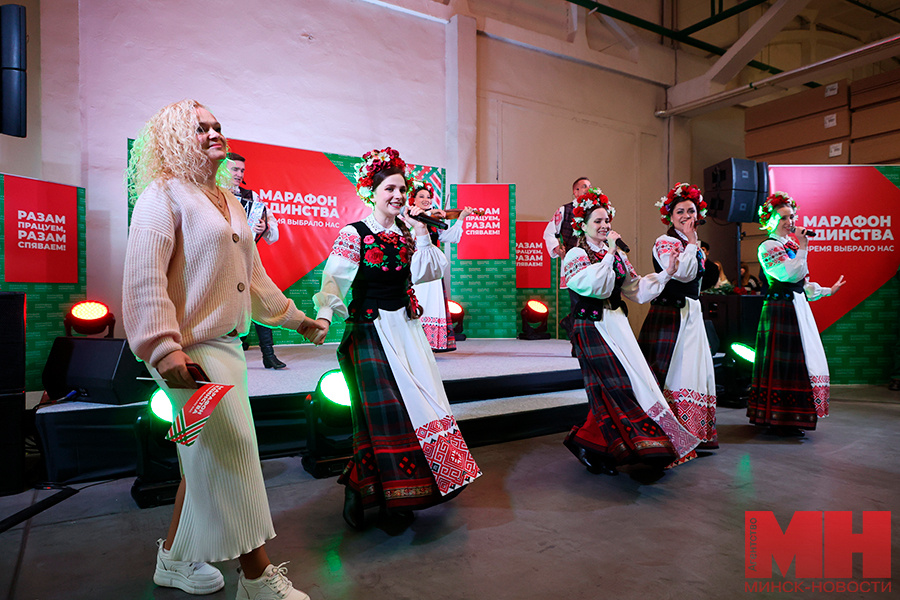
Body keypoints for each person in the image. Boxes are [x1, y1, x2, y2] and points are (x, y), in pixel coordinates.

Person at [123, 99, 325, 600]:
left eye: (217, 126)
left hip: (228, 349)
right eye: (200, 128)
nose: (215, 133)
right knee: (232, 451)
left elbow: (253, 278)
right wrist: (162, 349)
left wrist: (297, 319)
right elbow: (144, 278)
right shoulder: (161, 195)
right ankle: (255, 578)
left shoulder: (229, 201)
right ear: (174, 138)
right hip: (188, 354)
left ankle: (173, 559)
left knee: (206, 455)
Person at [312, 147, 481, 530]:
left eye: (402, 189)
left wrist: (421, 232)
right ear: (371, 192)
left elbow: (428, 272)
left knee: (414, 409)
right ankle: (380, 495)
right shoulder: (354, 234)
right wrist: (324, 317)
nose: (398, 195)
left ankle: (382, 491)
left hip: (406, 330)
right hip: (369, 331)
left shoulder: (408, 234)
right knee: (383, 417)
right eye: (389, 188)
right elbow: (334, 281)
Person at [561, 187, 700, 477]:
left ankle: (596, 446)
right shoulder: (576, 254)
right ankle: (599, 446)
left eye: (607, 220)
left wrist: (666, 273)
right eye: (598, 221)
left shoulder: (617, 256)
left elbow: (635, 289)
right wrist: (611, 252)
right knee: (613, 387)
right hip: (591, 325)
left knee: (627, 385)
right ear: (583, 226)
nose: (604, 226)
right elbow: (595, 287)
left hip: (617, 324)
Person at [747, 191, 845, 436]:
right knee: (784, 363)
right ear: (770, 220)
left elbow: (803, 282)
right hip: (781, 308)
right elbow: (788, 274)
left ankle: (792, 417)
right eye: (783, 217)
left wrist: (827, 290)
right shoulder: (768, 246)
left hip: (796, 306)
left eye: (791, 216)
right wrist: (803, 247)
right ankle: (778, 418)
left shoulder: (790, 245)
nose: (789, 221)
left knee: (799, 360)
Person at [637, 183, 717, 456]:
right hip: (670, 314)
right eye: (680, 211)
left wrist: (693, 245)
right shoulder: (666, 242)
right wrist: (692, 244)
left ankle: (693, 432)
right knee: (673, 370)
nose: (686, 216)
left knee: (692, 370)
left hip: (690, 312)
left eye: (690, 211)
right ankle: (666, 435)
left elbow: (698, 279)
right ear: (670, 217)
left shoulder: (693, 245)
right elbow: (683, 273)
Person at [226, 152, 287, 369]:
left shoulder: (252, 197)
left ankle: (268, 355)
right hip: (219, 260)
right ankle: (228, 355)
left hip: (246, 258)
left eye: (242, 170)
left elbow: (273, 234)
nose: (239, 174)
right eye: (235, 169)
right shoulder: (210, 193)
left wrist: (264, 227)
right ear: (223, 169)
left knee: (261, 301)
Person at [408, 179, 474, 351]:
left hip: (432, 267)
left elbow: (450, 237)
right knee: (417, 300)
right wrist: (429, 214)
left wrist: (461, 218)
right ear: (413, 200)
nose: (426, 199)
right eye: (421, 196)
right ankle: (414, 343)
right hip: (416, 267)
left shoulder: (433, 222)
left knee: (431, 302)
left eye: (428, 197)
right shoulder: (408, 217)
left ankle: (430, 344)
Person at [543, 176, 592, 259]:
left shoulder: (595, 211)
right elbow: (549, 233)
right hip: (571, 258)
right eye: (584, 187)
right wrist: (557, 248)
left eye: (590, 186)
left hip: (593, 258)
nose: (589, 189)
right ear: (576, 192)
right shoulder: (564, 210)